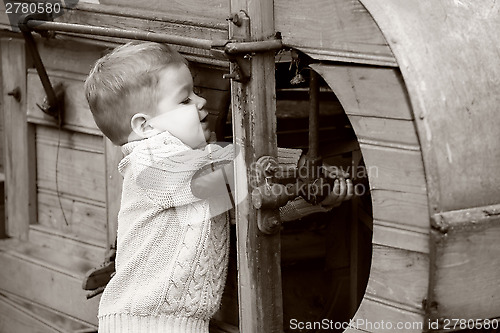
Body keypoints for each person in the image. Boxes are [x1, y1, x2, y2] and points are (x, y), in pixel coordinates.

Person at [84, 41, 353, 333]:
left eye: (196, 92)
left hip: (178, 323)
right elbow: (226, 172)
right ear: (145, 127)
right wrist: (295, 166)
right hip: (142, 323)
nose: (200, 102)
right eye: (184, 100)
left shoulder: (192, 169)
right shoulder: (149, 163)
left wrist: (312, 197)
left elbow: (251, 202)